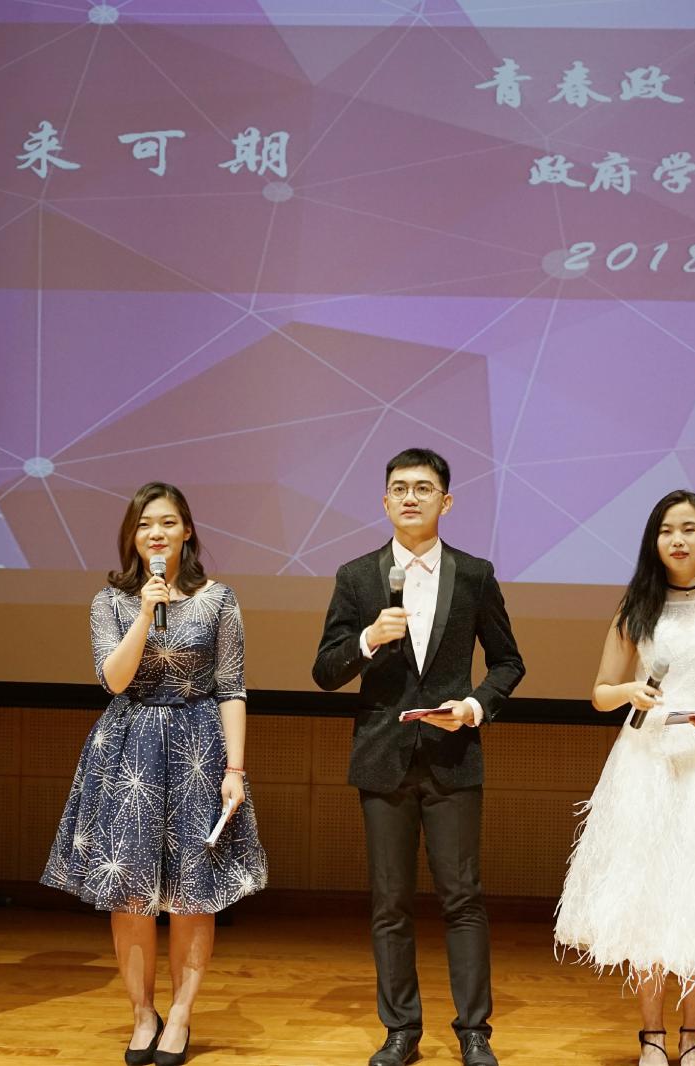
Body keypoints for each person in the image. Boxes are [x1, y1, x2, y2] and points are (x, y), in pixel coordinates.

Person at [311, 447, 525, 1066]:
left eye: (424, 488)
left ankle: (474, 1032)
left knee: (463, 898)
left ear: (445, 502)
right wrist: (366, 639)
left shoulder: (475, 574)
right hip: (383, 759)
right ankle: (401, 1029)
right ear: (385, 502)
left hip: (453, 756)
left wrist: (475, 706)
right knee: (390, 902)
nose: (411, 497)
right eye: (400, 488)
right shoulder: (357, 576)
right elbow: (325, 671)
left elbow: (508, 662)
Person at [555, 489, 695, 1066]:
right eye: (665, 530)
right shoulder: (637, 605)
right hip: (645, 760)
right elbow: (600, 693)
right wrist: (629, 690)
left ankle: (693, 1037)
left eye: (689, 528)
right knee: (647, 895)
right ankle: (653, 1037)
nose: (677, 540)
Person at [42, 482, 266, 1066]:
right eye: (145, 524)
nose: (156, 533)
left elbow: (231, 686)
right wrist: (145, 612)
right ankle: (143, 1013)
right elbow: (114, 679)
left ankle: (181, 1016)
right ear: (133, 536)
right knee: (130, 894)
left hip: (199, 751)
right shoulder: (110, 601)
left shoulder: (219, 599)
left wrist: (235, 769)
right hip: (127, 751)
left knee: (193, 894)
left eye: (167, 522)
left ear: (187, 531)